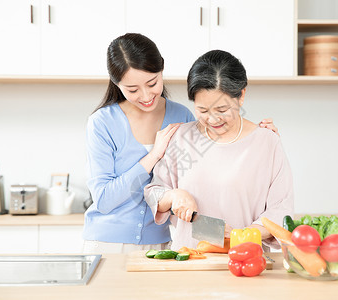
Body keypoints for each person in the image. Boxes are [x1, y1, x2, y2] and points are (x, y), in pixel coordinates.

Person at [83, 33, 279, 254]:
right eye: (133, 90)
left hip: (161, 244)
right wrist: (153, 156)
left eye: (152, 83)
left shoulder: (182, 116)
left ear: (161, 71)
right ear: (117, 85)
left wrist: (260, 137)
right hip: (107, 243)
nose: (146, 95)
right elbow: (104, 200)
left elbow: (203, 173)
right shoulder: (103, 122)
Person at [144, 50, 294, 251]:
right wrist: (173, 196)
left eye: (222, 110)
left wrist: (241, 237)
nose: (213, 120)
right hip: (189, 261)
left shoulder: (267, 142)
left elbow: (280, 211)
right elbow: (154, 193)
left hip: (246, 260)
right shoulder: (180, 138)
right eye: (203, 111)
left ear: (241, 95)